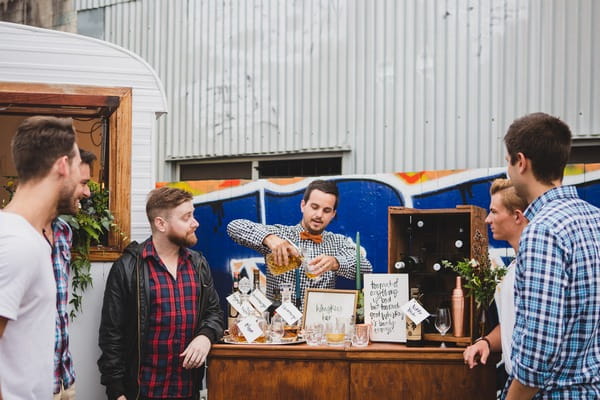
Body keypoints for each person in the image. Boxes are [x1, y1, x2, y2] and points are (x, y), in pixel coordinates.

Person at [502, 112, 600, 399]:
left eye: (507, 161)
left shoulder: (542, 231)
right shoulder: (595, 219)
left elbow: (538, 352)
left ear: (521, 162)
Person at [98, 186, 224, 400]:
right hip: (143, 393)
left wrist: (206, 336)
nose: (196, 223)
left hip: (187, 392)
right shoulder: (128, 268)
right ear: (161, 224)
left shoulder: (198, 264)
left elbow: (214, 313)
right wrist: (117, 393)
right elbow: (112, 335)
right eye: (187, 217)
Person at [0, 116, 83, 399]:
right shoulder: (15, 242)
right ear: (62, 165)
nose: (81, 184)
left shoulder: (31, 238)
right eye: (76, 167)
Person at [227, 179, 372, 307]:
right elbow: (234, 227)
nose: (319, 215)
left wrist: (336, 263)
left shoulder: (338, 242)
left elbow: (365, 268)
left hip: (319, 326)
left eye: (326, 210)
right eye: (314, 207)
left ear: (333, 214)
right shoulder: (281, 234)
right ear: (303, 206)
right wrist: (269, 239)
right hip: (280, 327)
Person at [463, 179, 528, 382]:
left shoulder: (533, 270)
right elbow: (513, 323)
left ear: (517, 216)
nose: (487, 219)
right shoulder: (513, 267)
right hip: (515, 380)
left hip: (530, 388)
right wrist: (487, 342)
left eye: (494, 212)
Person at [46, 148, 97, 400]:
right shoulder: (11, 235)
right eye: (84, 183)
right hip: (31, 383)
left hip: (63, 376)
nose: (88, 193)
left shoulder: (64, 232)